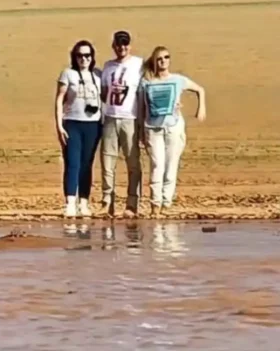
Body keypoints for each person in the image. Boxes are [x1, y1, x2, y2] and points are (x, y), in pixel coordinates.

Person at [137, 46, 206, 218]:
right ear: (154, 61)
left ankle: (166, 203)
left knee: (170, 165)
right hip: (153, 128)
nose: (163, 61)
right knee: (157, 165)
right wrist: (140, 130)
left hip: (173, 127)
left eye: (166, 57)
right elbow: (141, 108)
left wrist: (201, 108)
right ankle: (155, 204)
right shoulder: (146, 83)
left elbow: (199, 89)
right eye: (159, 58)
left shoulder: (177, 80)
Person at [54, 39, 103, 218]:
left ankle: (84, 202)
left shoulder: (98, 74)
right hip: (72, 122)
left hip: (93, 124)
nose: (84, 59)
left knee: (86, 164)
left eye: (87, 55)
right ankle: (70, 203)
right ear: (74, 57)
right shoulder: (68, 74)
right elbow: (59, 99)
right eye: (80, 55)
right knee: (72, 163)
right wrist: (59, 126)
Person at [99, 30, 144, 218]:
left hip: (130, 119)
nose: (122, 47)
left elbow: (145, 92)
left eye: (125, 44)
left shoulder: (139, 65)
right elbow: (103, 92)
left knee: (133, 162)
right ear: (113, 46)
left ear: (130, 45)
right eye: (118, 44)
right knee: (107, 162)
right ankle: (107, 202)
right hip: (110, 117)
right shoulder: (108, 66)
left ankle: (132, 203)